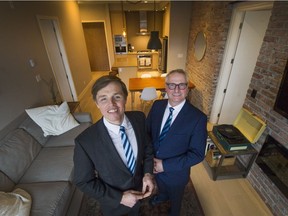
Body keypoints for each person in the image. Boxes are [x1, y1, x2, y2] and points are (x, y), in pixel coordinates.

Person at [73, 75, 154, 216]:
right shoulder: (85, 142)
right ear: (97, 103)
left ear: (125, 98)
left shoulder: (139, 118)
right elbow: (83, 182)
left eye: (117, 97)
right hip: (114, 205)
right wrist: (120, 198)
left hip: (140, 192)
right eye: (103, 98)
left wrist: (148, 173)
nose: (111, 104)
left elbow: (147, 148)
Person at [146, 69, 207, 216]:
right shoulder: (157, 106)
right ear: (166, 87)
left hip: (176, 174)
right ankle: (161, 197)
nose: (177, 90)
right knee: (159, 187)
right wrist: (149, 159)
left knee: (175, 200)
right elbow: (147, 133)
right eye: (172, 85)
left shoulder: (198, 118)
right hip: (153, 165)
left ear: (187, 89)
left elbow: (198, 154)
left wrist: (164, 165)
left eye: (181, 85)